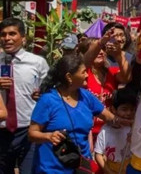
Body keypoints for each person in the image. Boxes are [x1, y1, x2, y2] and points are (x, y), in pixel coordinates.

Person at [28, 53, 128, 173]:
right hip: (52, 168)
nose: (87, 75)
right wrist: (48, 136)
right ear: (69, 77)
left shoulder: (86, 96)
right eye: (83, 72)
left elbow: (111, 118)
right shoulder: (47, 100)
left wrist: (131, 123)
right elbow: (32, 134)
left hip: (80, 167)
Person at [0, 17, 49, 174]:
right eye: (3, 34)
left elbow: (49, 93)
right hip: (1, 131)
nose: (7, 38)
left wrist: (41, 94)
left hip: (28, 130)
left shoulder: (37, 63)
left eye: (12, 34)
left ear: (23, 37)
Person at [84, 31, 131, 138]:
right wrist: (101, 42)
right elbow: (85, 61)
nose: (101, 52)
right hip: (88, 133)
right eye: (97, 50)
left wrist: (119, 55)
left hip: (109, 132)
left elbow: (126, 78)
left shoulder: (112, 72)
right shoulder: (83, 73)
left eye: (103, 49)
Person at [95, 88, 138, 174]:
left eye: (132, 109)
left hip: (132, 167)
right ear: (113, 109)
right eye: (124, 109)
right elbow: (98, 154)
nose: (129, 113)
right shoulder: (105, 130)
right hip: (111, 168)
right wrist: (108, 171)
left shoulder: (135, 128)